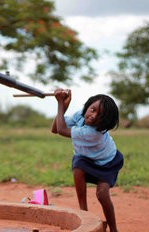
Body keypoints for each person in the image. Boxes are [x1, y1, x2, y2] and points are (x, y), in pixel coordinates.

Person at [51, 88, 123, 232]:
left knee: (102, 194)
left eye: (100, 116)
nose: (93, 116)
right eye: (93, 109)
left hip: (108, 162)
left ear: (105, 122)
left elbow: (61, 130)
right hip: (87, 159)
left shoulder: (94, 132)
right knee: (78, 163)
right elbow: (55, 128)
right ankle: (84, 213)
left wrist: (59, 103)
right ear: (88, 106)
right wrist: (63, 107)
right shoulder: (80, 116)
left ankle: (114, 229)